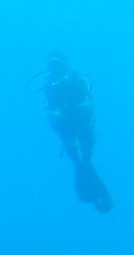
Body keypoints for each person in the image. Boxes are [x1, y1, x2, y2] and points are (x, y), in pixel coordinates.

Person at [40, 52, 113, 213]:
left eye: (57, 65)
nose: (54, 69)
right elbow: (50, 109)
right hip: (65, 123)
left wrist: (75, 110)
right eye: (52, 66)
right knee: (73, 152)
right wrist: (57, 115)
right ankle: (81, 166)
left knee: (84, 152)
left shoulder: (77, 79)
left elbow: (88, 103)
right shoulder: (49, 84)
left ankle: (84, 165)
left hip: (81, 120)